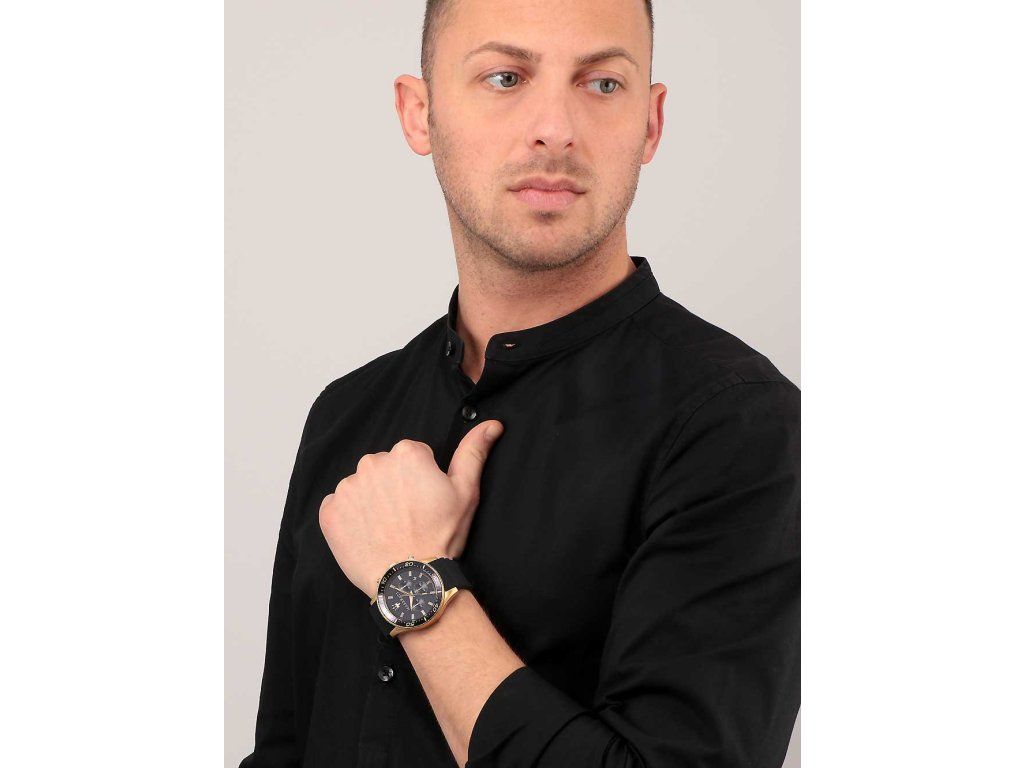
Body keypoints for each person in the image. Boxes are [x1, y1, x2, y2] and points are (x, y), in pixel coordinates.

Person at [238, 1, 799, 766]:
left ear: (651, 122)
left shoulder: (741, 426)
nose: (556, 129)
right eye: (505, 77)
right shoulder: (346, 413)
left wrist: (414, 581)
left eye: (602, 84)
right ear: (419, 113)